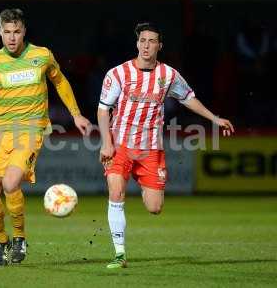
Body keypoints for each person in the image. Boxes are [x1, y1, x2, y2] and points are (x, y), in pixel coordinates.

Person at [0, 8, 91, 266]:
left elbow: (60, 81)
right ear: (0, 33)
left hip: (30, 130)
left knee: (10, 183)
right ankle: (2, 242)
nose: (12, 37)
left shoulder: (42, 55)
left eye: (16, 31)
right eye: (7, 32)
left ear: (24, 31)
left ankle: (19, 238)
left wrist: (76, 114)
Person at [97, 22, 234, 269]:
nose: (146, 45)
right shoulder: (118, 73)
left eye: (152, 41)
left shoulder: (168, 75)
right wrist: (106, 144)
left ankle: (143, 184)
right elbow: (103, 109)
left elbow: (188, 98)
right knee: (116, 193)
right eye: (142, 40)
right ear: (136, 43)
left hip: (151, 149)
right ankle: (119, 254)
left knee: (154, 207)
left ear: (160, 45)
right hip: (120, 146)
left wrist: (214, 118)